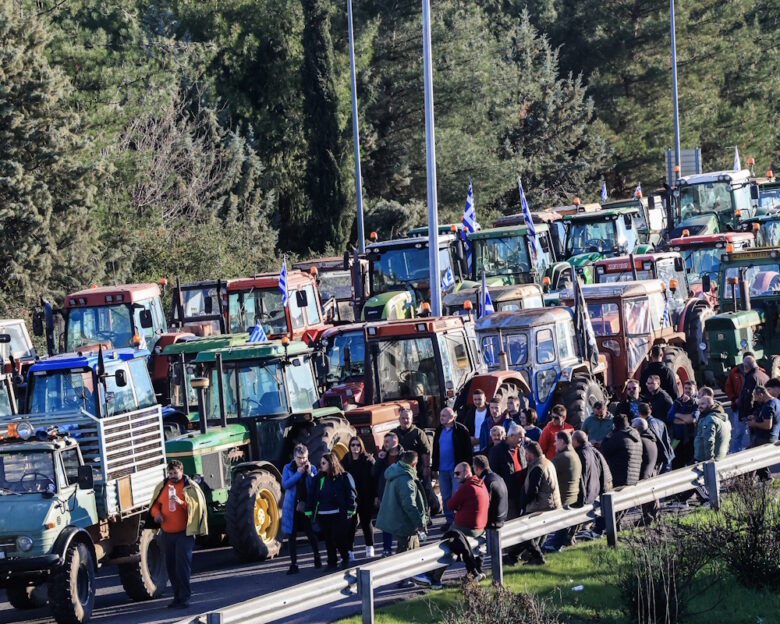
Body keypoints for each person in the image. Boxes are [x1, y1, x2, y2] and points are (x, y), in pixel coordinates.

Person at [413, 462, 489, 588]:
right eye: (454, 474)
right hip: (480, 529)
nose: (455, 476)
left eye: (458, 473)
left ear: (467, 472)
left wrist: (459, 507)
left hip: (466, 528)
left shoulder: (467, 487)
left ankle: (434, 578)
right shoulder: (480, 483)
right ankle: (471, 572)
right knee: (452, 543)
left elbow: (449, 505)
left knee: (444, 545)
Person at [150, 460, 208, 609]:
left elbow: (195, 509)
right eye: (170, 473)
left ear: (181, 471)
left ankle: (185, 598)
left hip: (184, 534)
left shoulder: (189, 487)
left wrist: (181, 502)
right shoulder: (163, 487)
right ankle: (177, 597)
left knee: (182, 567)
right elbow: (155, 505)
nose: (173, 476)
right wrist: (156, 514)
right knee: (171, 567)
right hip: (167, 535)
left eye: (175, 473)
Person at [375, 451, 428, 587]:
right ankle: (405, 579)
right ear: (414, 464)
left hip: (396, 518)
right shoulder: (406, 479)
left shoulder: (394, 470)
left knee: (405, 549)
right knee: (407, 550)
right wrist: (419, 523)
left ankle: (408, 578)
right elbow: (409, 505)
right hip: (405, 522)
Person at [309, 453, 356, 570]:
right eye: (321, 463)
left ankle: (345, 558)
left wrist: (351, 508)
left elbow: (350, 493)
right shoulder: (319, 478)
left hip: (338, 513)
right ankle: (332, 562)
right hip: (323, 514)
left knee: (338, 537)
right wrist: (309, 511)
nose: (321, 465)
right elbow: (312, 495)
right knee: (328, 539)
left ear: (331, 463)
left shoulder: (343, 476)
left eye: (324, 463)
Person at [517, 441, 561, 565]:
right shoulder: (548, 463)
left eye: (526, 453)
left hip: (540, 506)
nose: (525, 456)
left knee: (524, 533)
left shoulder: (537, 467)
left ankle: (537, 557)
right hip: (550, 503)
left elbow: (533, 491)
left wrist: (524, 506)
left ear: (531, 454)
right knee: (539, 534)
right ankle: (534, 556)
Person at [281, 445, 321, 573]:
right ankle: (294, 564)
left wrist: (309, 474)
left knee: (310, 533)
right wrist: (298, 474)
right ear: (294, 457)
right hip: (291, 507)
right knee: (291, 536)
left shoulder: (312, 468)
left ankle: (317, 557)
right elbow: (285, 484)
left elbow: (315, 486)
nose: (302, 461)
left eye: (304, 458)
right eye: (299, 458)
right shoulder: (288, 468)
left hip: (306, 506)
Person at [432, 407, 472, 528]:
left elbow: (468, 451)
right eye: (440, 415)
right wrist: (434, 467)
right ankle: (450, 521)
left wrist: (467, 468)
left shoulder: (461, 430)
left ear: (451, 417)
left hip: (457, 470)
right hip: (443, 469)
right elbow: (435, 449)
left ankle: (459, 521)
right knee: (445, 496)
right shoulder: (439, 430)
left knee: (457, 495)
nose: (441, 418)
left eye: (444, 416)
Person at [393, 408, 437, 515]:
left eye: (407, 418)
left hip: (418, 470)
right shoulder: (394, 433)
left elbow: (426, 452)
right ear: (399, 419)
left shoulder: (418, 433)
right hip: (401, 471)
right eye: (403, 418)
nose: (405, 421)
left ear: (412, 419)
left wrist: (426, 468)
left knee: (424, 492)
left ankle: (434, 508)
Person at [546, 431, 582, 551]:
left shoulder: (562, 458)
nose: (554, 444)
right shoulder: (574, 454)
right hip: (572, 497)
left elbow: (546, 473)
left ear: (562, 442)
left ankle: (554, 545)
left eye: (556, 441)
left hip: (564, 499)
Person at [341, 437, 376, 559]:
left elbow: (374, 480)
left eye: (358, 445)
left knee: (366, 523)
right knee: (350, 525)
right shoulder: (345, 461)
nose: (355, 447)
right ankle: (349, 551)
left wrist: (375, 496)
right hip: (351, 499)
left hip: (366, 497)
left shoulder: (368, 460)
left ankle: (369, 547)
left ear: (361, 447)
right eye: (352, 445)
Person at [727, 354, 769, 453]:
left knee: (748, 437)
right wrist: (734, 398)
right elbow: (728, 387)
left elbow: (749, 397)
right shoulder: (764, 375)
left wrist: (746, 416)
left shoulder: (751, 377)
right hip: (760, 412)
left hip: (752, 412)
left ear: (746, 367)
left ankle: (736, 456)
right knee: (754, 437)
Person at [373, 432, 404, 556]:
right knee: (387, 523)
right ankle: (387, 549)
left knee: (401, 521)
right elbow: (374, 474)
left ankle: (403, 547)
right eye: (384, 442)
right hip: (385, 494)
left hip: (400, 494)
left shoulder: (403, 456)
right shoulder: (383, 457)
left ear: (395, 442)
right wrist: (379, 460)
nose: (384, 444)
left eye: (387, 442)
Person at [746, 385, 780, 480]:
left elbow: (767, 425)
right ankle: (765, 477)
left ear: (761, 395)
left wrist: (754, 424)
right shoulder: (777, 402)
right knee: (756, 455)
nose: (755, 400)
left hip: (764, 438)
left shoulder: (768, 406)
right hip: (773, 436)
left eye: (756, 397)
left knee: (748, 456)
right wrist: (756, 418)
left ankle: (748, 482)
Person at [600, 413, 642, 488]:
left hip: (619, 478)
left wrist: (607, 437)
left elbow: (604, 450)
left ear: (615, 425)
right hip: (634, 477)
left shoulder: (618, 436)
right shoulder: (636, 435)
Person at [668, 380, 699, 469]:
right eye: (686, 388)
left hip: (691, 439)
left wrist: (677, 416)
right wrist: (684, 419)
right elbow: (670, 417)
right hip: (677, 439)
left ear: (695, 389)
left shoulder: (696, 403)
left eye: (690, 388)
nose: (687, 390)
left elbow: (693, 419)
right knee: (676, 465)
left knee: (691, 465)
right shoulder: (678, 402)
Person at [694, 390, 731, 462]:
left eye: (702, 404)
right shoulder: (723, 416)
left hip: (705, 460)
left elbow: (709, 441)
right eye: (699, 404)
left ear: (710, 405)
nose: (699, 406)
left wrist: (709, 460)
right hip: (721, 457)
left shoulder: (710, 419)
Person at [637, 402, 674, 473]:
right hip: (668, 456)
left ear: (639, 413)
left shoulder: (646, 427)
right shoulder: (660, 422)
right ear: (650, 411)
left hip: (659, 459)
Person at [473, 454, 508, 531]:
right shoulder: (498, 477)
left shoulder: (485, 482)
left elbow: (483, 505)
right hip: (503, 518)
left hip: (493, 523)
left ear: (477, 469)